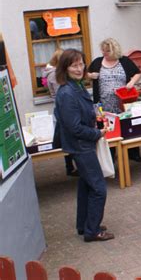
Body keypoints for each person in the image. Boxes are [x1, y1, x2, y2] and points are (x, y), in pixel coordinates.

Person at [54, 49, 114, 242]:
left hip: (83, 143)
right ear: (65, 68)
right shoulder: (66, 93)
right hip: (81, 145)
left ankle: (84, 225)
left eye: (81, 64)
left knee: (86, 186)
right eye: (74, 65)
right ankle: (92, 231)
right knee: (98, 188)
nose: (79, 69)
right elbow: (74, 127)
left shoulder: (77, 87)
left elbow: (82, 116)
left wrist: (96, 121)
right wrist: (97, 133)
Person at [88, 38, 141, 162]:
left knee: (128, 126)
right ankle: (111, 157)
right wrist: (91, 76)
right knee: (109, 129)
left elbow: (137, 73)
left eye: (107, 51)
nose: (104, 53)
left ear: (114, 51)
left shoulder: (124, 61)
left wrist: (132, 82)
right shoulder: (97, 62)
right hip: (103, 104)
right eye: (103, 50)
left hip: (123, 102)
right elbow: (87, 74)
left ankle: (133, 153)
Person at [44, 48, 78, 176]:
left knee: (67, 138)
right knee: (68, 138)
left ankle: (70, 166)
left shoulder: (51, 73)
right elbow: (63, 93)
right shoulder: (55, 75)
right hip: (63, 109)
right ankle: (71, 167)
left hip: (60, 108)